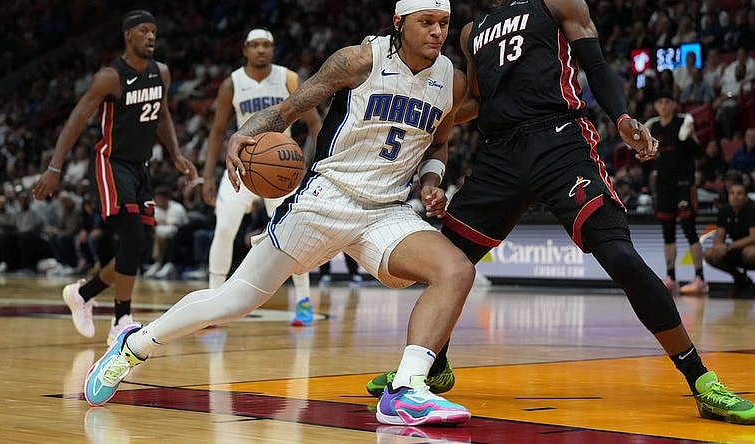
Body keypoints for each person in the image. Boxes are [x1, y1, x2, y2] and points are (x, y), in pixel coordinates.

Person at [85, 0, 477, 426]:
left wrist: (432, 182)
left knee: (456, 270)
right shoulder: (358, 60)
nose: (437, 32)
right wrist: (245, 133)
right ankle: (133, 345)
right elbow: (287, 110)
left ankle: (405, 390)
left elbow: (439, 142)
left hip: (387, 211)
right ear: (400, 23)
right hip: (327, 198)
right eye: (426, 22)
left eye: (443, 23)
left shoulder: (450, 81)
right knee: (234, 301)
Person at [367, 0, 755, 425]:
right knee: (445, 264)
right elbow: (479, 99)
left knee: (620, 256)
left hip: (560, 141)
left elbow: (597, 65)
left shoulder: (553, 2)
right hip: (500, 155)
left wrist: (622, 116)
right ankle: (431, 367)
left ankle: (700, 380)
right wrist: (409, 111)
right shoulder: (469, 31)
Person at [32, 10, 197, 345]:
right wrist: (54, 168)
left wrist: (177, 155)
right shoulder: (110, 77)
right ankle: (122, 319)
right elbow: (76, 121)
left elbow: (162, 115)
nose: (151, 36)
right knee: (133, 240)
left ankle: (84, 293)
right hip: (110, 164)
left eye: (154, 31)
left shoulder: (161, 73)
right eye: (143, 31)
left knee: (141, 247)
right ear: (127, 36)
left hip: (141, 166)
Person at [201, 28, 322, 326]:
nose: (260, 50)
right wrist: (207, 177)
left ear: (273, 49)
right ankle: (213, 301)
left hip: (280, 169)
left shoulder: (288, 78)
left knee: (294, 237)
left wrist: (312, 166)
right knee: (225, 229)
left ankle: (304, 302)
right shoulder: (232, 83)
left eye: (266, 45)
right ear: (245, 49)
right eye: (254, 45)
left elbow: (315, 122)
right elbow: (217, 131)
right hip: (242, 163)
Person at [645, 90, 708, 295]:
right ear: (655, 106)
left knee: (690, 231)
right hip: (664, 186)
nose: (663, 105)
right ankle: (671, 277)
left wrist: (689, 137)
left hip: (683, 184)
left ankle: (700, 278)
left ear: (673, 104)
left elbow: (699, 152)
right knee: (668, 234)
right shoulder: (653, 126)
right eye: (659, 102)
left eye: (666, 101)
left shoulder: (684, 123)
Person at [703, 181, 755, 295]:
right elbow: (720, 235)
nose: (735, 196)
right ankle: (740, 278)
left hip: (748, 248)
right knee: (709, 254)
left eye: (739, 193)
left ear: (746, 196)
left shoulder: (752, 209)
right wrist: (718, 247)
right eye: (732, 193)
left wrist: (728, 246)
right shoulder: (724, 210)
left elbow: (753, 237)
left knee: (750, 253)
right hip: (735, 248)